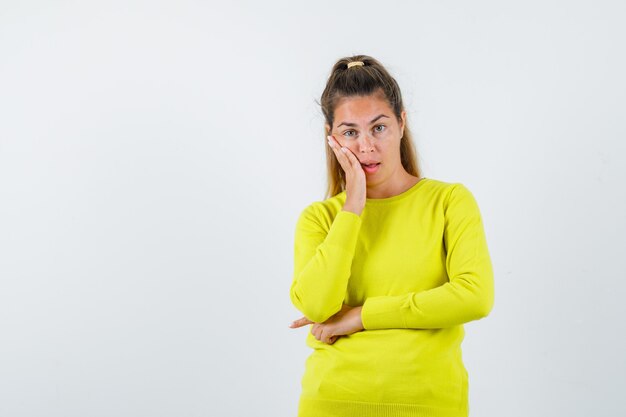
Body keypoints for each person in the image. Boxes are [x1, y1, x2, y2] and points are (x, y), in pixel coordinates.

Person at [288, 54, 495, 417]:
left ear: (401, 123)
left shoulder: (449, 202)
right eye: (350, 132)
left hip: (429, 404)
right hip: (332, 402)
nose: (366, 146)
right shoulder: (320, 219)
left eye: (378, 127)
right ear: (331, 137)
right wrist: (352, 207)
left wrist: (362, 316)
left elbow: (474, 297)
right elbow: (317, 307)